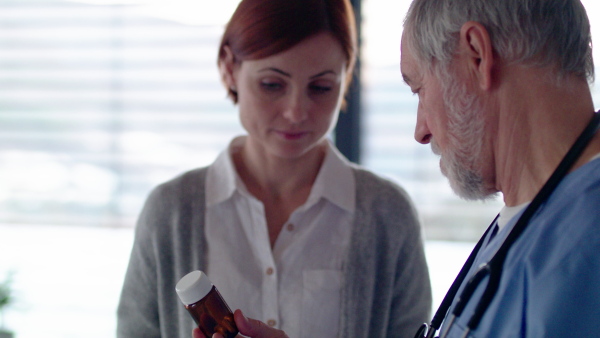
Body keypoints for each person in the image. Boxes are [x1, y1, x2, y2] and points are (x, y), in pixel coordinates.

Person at [196, 0, 600, 337]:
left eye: (419, 88)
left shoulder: (584, 243)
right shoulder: (524, 226)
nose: (420, 131)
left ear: (477, 53)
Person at [117, 0, 432, 337]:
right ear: (229, 69)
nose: (296, 111)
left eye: (321, 87)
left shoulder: (387, 215)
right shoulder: (171, 213)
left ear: (346, 78)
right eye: (272, 84)